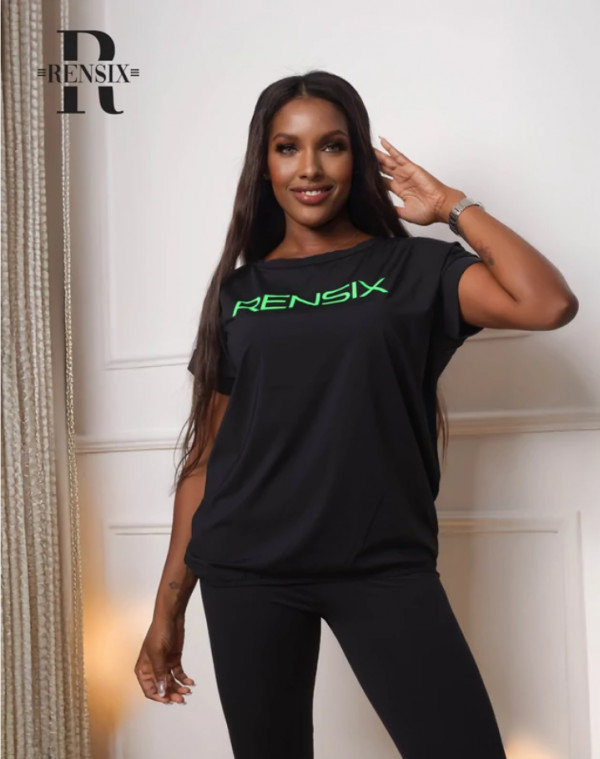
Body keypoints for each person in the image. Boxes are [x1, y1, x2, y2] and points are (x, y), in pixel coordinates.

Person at [134, 70, 578, 758]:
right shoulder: (239, 291)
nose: (309, 168)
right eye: (288, 147)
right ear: (264, 164)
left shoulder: (414, 269)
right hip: (244, 570)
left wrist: (452, 205)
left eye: (332, 145)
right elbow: (206, 456)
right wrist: (168, 608)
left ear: (357, 157)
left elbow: (547, 303)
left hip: (381, 565)